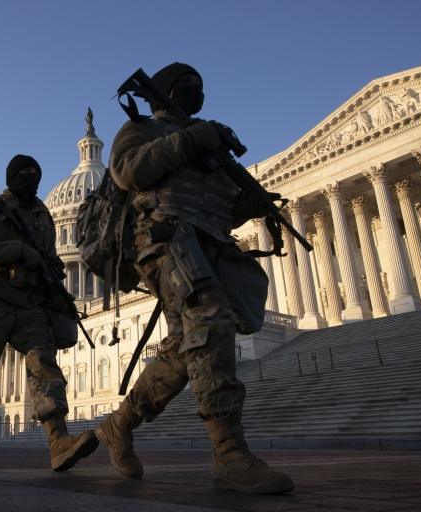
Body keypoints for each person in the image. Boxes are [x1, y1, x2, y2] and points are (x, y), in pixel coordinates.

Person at [99, 62, 294, 493]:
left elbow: (220, 208)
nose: (197, 91)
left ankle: (120, 423)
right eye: (187, 84)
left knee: (182, 351)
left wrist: (252, 205)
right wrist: (190, 139)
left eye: (201, 85)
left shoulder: (209, 148)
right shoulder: (143, 130)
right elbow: (127, 172)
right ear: (165, 91)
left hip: (209, 247)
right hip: (165, 242)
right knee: (211, 320)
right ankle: (228, 451)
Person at [0, 155, 97, 470]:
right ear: (11, 178)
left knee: (45, 367)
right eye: (24, 175)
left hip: (31, 303)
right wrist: (16, 252)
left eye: (35, 175)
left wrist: (54, 280)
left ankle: (58, 440)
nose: (30, 180)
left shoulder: (43, 214)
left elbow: (50, 256)